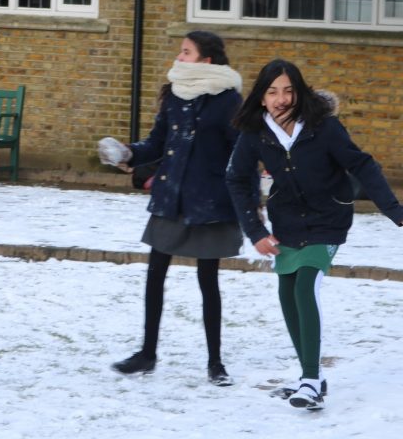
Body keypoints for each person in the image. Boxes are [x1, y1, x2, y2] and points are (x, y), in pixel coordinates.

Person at [225, 59, 403, 411]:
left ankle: (310, 379)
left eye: (289, 90)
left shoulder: (323, 126)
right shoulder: (255, 133)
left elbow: (362, 165)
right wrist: (256, 231)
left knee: (306, 284)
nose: (281, 99)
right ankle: (311, 376)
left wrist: (396, 213)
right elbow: (235, 178)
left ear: (300, 92)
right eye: (272, 92)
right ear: (261, 98)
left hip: (328, 219)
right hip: (287, 221)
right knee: (287, 292)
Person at [99, 31, 244, 386]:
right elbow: (157, 142)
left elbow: (241, 154)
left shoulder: (229, 101)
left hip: (209, 203)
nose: (179, 57)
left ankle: (215, 363)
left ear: (206, 60)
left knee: (208, 282)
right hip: (170, 198)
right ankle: (147, 355)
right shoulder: (175, 95)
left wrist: (250, 201)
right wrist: (128, 152)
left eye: (186, 52)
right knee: (155, 277)